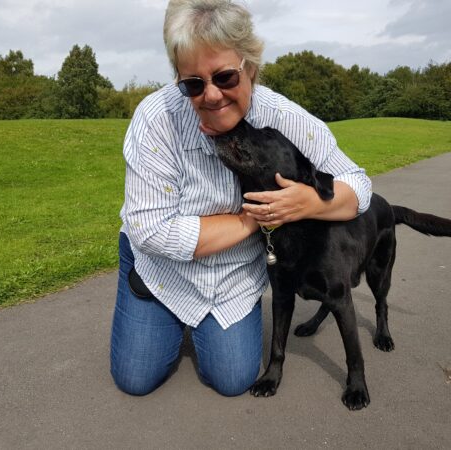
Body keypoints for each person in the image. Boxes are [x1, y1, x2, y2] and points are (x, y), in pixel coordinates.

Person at [110, 0, 372, 397]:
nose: (211, 95)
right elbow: (151, 231)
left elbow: (359, 185)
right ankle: (158, 311)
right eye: (192, 84)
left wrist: (309, 203)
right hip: (163, 271)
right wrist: (258, 217)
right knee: (136, 379)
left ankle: (202, 325)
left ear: (250, 67)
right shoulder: (156, 119)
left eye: (226, 77)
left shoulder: (282, 117)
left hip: (233, 274)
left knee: (232, 380)